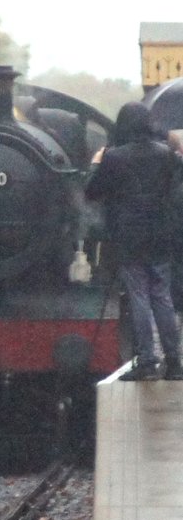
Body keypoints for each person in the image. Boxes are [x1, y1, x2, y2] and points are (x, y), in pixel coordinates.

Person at [85, 101, 183, 382]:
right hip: (160, 234)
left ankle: (147, 360)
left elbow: (92, 192)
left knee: (139, 296)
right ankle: (174, 363)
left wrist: (95, 164)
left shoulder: (114, 157)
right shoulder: (166, 154)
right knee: (162, 296)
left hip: (129, 236)